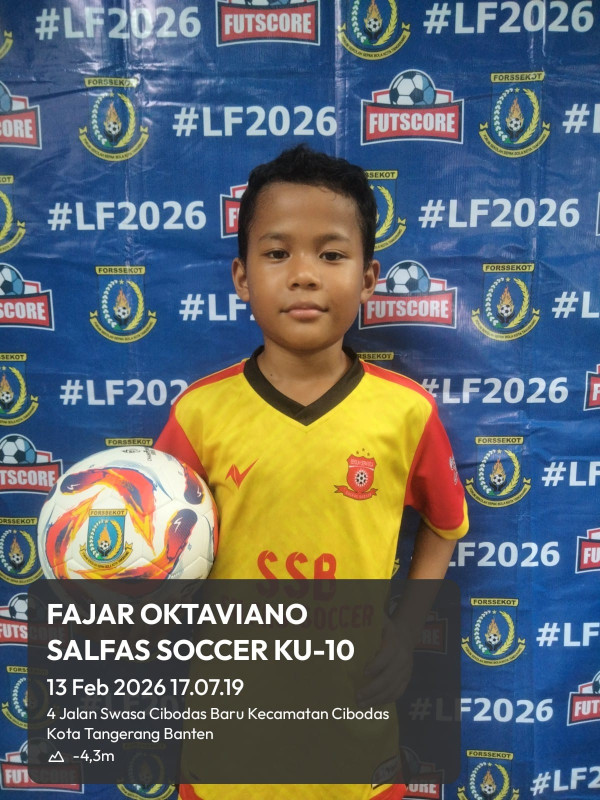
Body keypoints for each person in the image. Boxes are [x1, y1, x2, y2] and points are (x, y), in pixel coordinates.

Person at [156, 144, 469, 800]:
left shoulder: (406, 412)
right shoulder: (199, 414)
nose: (303, 275)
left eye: (330, 255)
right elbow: (155, 548)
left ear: (368, 278)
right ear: (242, 277)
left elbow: (445, 525)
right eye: (277, 254)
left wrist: (405, 635)